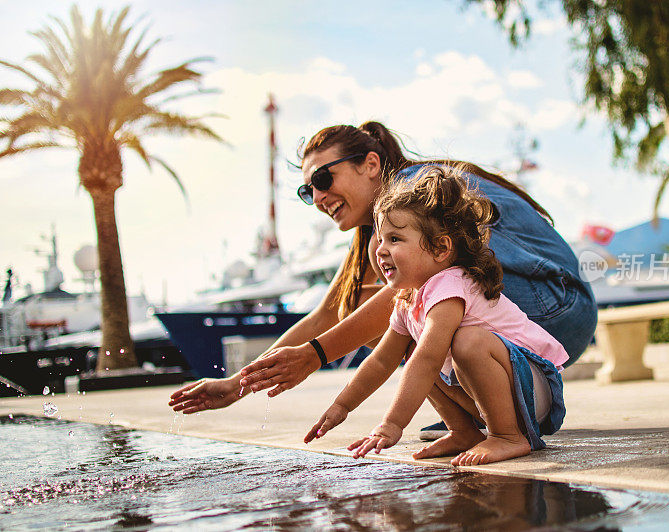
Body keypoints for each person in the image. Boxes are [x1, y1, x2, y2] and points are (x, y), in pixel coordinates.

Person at [168, 122, 597, 437]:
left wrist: (315, 356)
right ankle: (467, 422)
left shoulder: (420, 193)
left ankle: (497, 427)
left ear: (371, 164)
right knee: (380, 308)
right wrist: (237, 384)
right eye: (307, 191)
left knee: (397, 302)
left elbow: (382, 305)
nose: (317, 197)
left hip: (557, 306)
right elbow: (328, 313)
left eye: (322, 178)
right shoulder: (382, 228)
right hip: (535, 313)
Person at [305, 166, 568, 465]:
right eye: (381, 238)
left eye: (395, 239)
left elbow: (429, 360)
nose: (381, 250)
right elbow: (380, 360)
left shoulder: (451, 284)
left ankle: (507, 436)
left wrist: (393, 424)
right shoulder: (409, 299)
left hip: (535, 390)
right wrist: (342, 405)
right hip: (508, 393)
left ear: (440, 247)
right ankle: (464, 432)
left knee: (464, 344)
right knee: (412, 347)